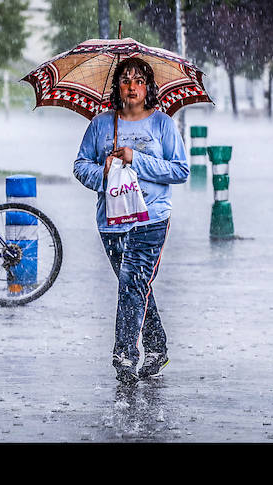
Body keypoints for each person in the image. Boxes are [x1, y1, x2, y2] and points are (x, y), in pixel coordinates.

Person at [73, 57, 189, 383]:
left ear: (148, 87)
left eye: (139, 81)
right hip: (111, 220)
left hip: (151, 218)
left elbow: (180, 170)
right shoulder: (101, 125)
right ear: (117, 87)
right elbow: (80, 166)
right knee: (134, 285)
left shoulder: (162, 124)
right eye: (125, 81)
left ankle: (124, 356)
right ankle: (157, 348)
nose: (132, 87)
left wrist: (135, 158)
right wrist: (104, 171)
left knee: (132, 282)